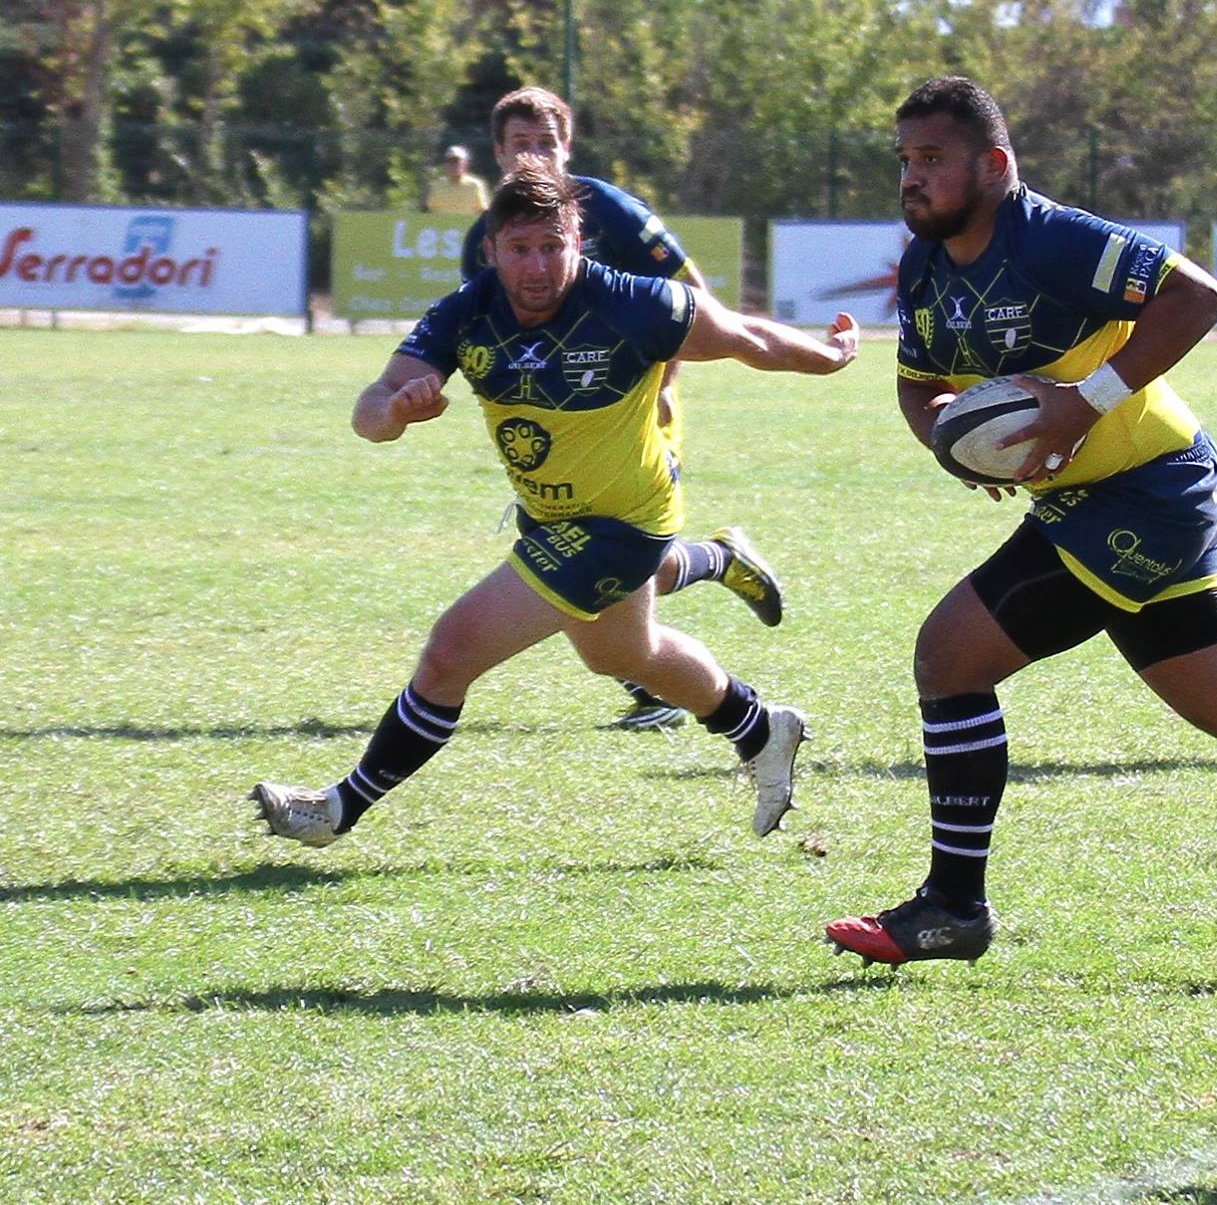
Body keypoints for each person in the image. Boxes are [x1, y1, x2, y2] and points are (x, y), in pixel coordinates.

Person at [822, 77, 1217, 977]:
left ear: (994, 165)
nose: (912, 178)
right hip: (1104, 497)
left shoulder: (1050, 239)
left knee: (951, 656)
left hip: (1148, 489)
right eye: (905, 160)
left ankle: (954, 907)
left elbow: (1198, 297)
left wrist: (1081, 402)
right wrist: (952, 443)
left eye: (932, 158)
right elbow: (917, 382)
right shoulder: (927, 266)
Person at [250, 164, 860, 848]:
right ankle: (760, 727)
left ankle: (337, 809)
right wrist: (394, 412)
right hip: (553, 520)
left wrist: (829, 355)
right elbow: (372, 407)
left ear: (578, 242)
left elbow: (749, 337)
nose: (538, 266)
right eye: (520, 249)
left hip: (623, 525)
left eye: (552, 246)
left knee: (451, 652)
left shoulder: (635, 304)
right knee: (625, 654)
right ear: (491, 249)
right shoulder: (465, 313)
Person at [462, 87, 778, 732]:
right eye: (521, 145)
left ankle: (657, 685)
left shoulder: (608, 209)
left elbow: (692, 295)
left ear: (568, 148)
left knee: (602, 556)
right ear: (498, 152)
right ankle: (717, 561)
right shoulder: (488, 235)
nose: (534, 157)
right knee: (586, 555)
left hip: (635, 411)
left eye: (546, 144)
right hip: (555, 428)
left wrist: (663, 384)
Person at [425, 145, 489, 215]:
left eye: (456, 161)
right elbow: (431, 212)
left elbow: (482, 211)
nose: (453, 165)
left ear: (465, 163)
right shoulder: (436, 186)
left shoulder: (474, 185)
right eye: (450, 161)